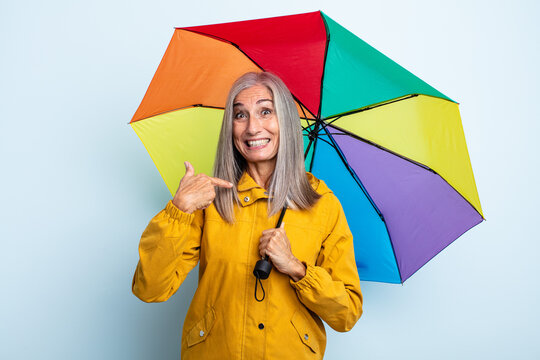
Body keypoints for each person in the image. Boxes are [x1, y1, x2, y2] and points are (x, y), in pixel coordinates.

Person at [132, 71, 363, 359]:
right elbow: (149, 288)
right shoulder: (208, 200)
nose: (252, 127)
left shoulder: (323, 205)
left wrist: (296, 268)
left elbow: (347, 314)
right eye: (240, 115)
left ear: (286, 123)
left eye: (266, 111)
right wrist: (178, 210)